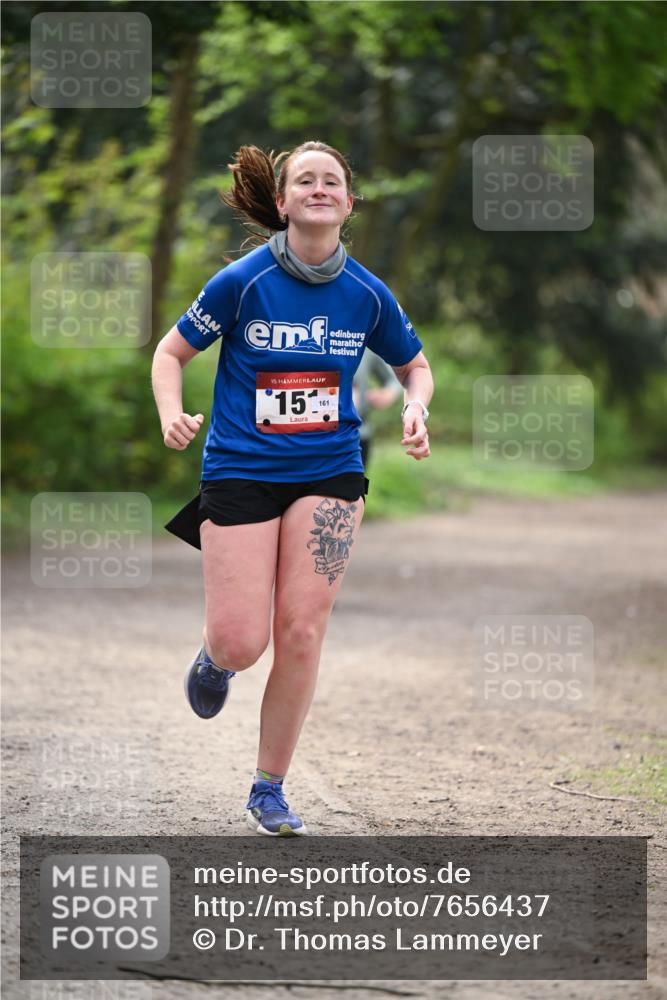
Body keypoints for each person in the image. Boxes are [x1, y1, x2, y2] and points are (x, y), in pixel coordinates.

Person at [151, 141, 433, 836]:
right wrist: (171, 413)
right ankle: (217, 660)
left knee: (302, 630)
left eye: (330, 180)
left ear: (347, 201)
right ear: (280, 202)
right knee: (244, 641)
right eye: (302, 180)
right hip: (241, 469)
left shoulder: (367, 294)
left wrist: (414, 406)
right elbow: (170, 352)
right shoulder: (242, 283)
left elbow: (415, 365)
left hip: (329, 470)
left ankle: (268, 787)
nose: (317, 188)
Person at [353, 351, 402, 469]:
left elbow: (395, 379)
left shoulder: (366, 346)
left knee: (353, 485)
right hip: (312, 435)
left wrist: (387, 394)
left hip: (359, 433)